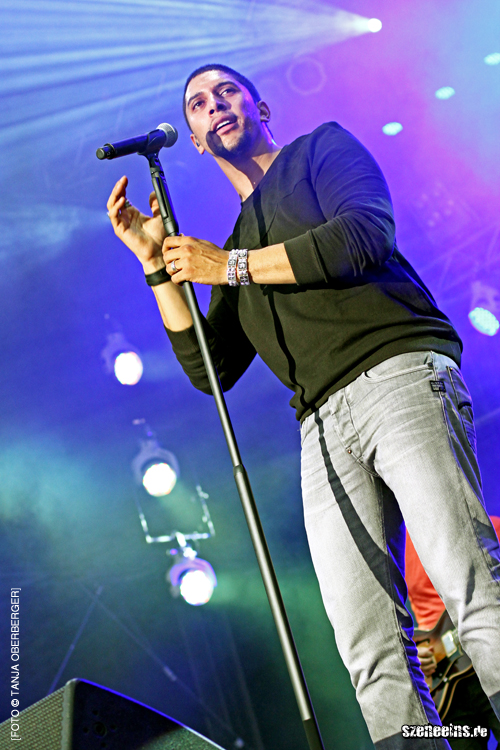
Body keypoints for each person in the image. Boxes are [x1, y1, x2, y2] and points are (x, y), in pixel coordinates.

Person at [106, 64, 500, 749]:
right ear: (194, 139)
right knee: (368, 645)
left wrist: (229, 268)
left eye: (226, 91)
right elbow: (210, 369)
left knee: (467, 580)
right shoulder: (231, 245)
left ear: (259, 107)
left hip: (396, 372)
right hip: (319, 427)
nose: (213, 105)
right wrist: (155, 266)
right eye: (198, 103)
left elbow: (362, 236)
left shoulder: (322, 148)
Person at [406, 521, 500, 750]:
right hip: (442, 683)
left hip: (490, 660)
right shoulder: (398, 545)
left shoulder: (487, 525)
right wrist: (416, 654)